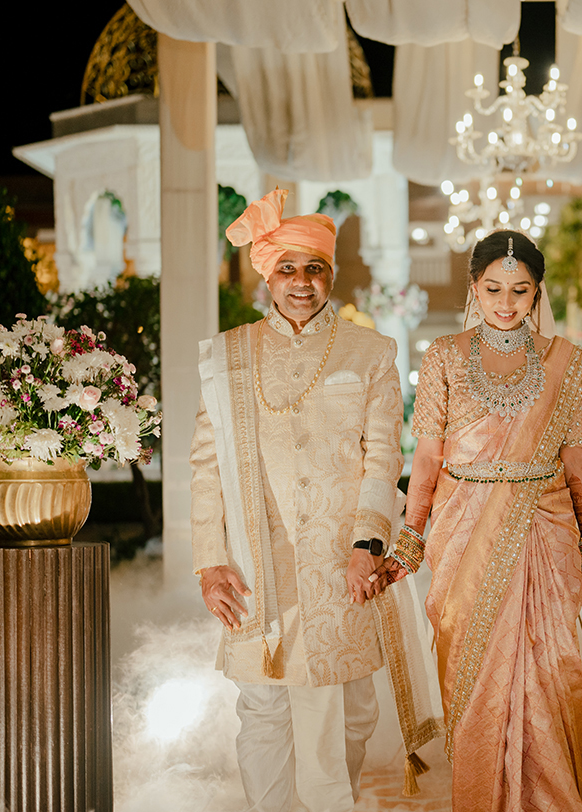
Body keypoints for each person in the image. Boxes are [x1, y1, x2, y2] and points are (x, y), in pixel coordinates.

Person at [385, 230, 582, 812]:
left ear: (536, 291)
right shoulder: (444, 355)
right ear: (474, 287)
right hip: (463, 533)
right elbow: (428, 457)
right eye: (493, 288)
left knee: (548, 668)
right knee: (474, 673)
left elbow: (576, 458)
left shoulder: (565, 361)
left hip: (544, 533)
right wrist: (411, 538)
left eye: (519, 290)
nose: (506, 301)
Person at [190, 189, 404, 812]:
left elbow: (383, 457)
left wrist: (368, 544)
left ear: (330, 275)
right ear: (268, 276)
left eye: (314, 267)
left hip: (343, 559)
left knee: (353, 711)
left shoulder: (372, 352)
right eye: (287, 268)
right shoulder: (227, 355)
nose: (302, 282)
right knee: (263, 706)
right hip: (257, 558)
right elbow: (206, 465)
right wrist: (210, 562)